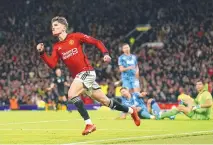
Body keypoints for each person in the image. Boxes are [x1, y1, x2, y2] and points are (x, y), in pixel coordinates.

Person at [36, 16, 140, 135]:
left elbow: (96, 42)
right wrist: (42, 53)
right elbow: (52, 64)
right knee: (106, 102)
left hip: (87, 72)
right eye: (52, 26)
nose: (52, 28)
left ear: (64, 27)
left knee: (71, 94)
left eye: (56, 25)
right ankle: (132, 111)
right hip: (80, 77)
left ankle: (89, 124)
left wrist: (105, 53)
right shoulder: (57, 47)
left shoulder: (75, 36)